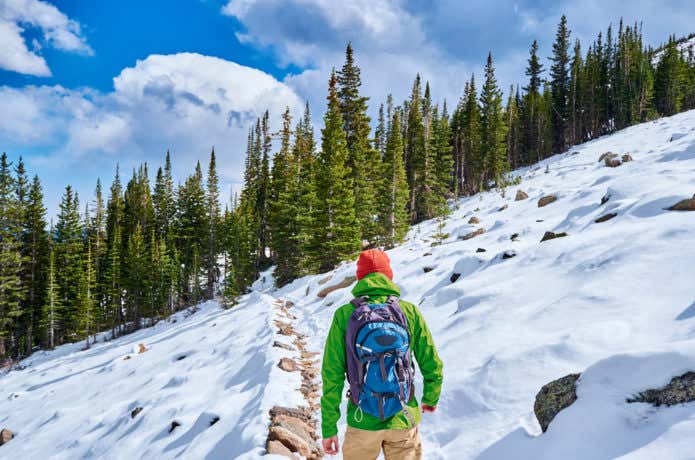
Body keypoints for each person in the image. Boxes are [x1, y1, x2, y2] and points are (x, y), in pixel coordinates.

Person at [321, 249, 443, 460]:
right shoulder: (408, 311)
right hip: (403, 416)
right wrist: (430, 397)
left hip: (362, 419)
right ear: (389, 275)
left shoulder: (345, 315)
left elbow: (332, 374)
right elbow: (431, 361)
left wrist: (329, 427)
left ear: (360, 277)